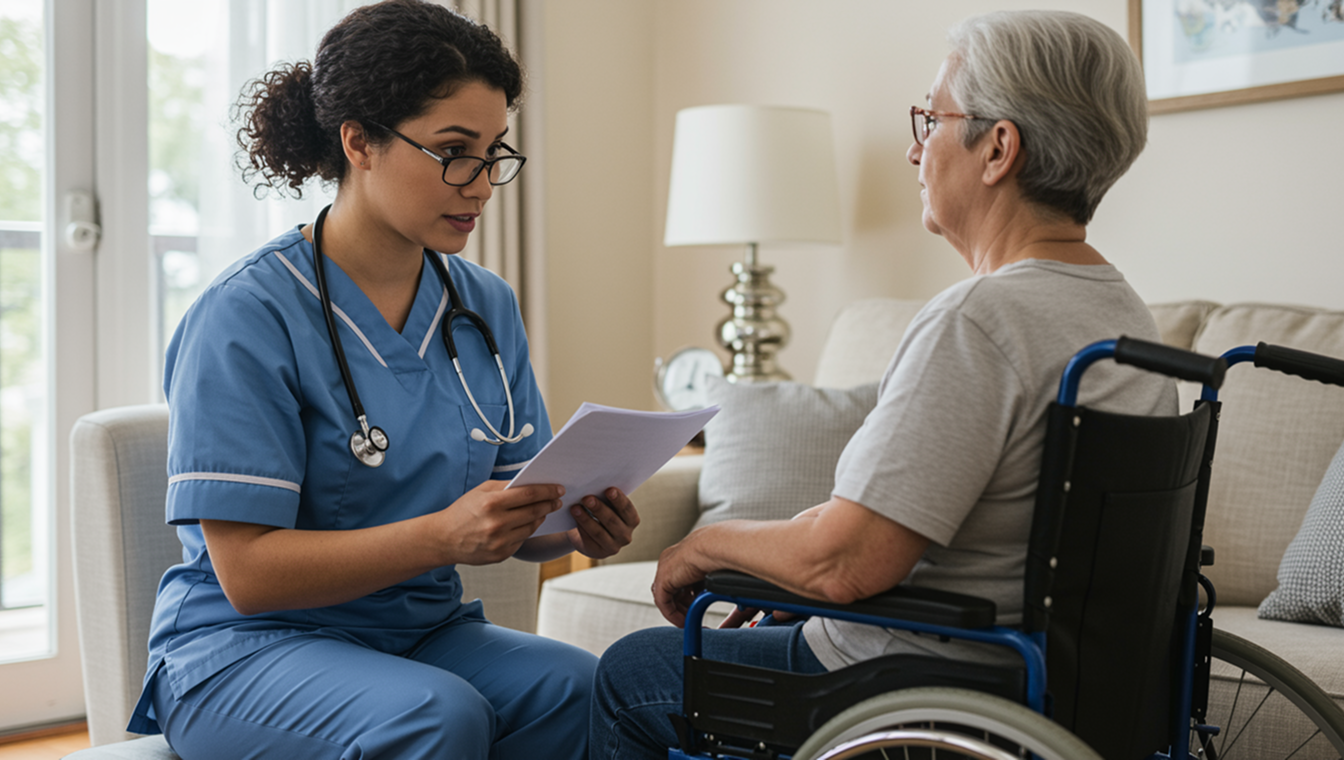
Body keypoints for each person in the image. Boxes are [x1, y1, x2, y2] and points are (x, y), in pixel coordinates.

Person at [589, 10, 1180, 759]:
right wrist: (777, 558)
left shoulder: (980, 320)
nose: (913, 148)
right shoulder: (1121, 311)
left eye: (930, 119)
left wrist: (702, 547)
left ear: (999, 147)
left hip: (917, 682)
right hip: (1057, 681)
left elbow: (846, 564)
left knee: (628, 673)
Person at [129, 2, 640, 758]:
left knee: (588, 687)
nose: (482, 184)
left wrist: (572, 525)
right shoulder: (245, 315)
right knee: (435, 714)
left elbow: (513, 507)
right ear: (359, 141)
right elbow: (247, 576)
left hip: (420, 633)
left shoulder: (483, 304)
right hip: (246, 650)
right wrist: (442, 537)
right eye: (453, 150)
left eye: (494, 152)